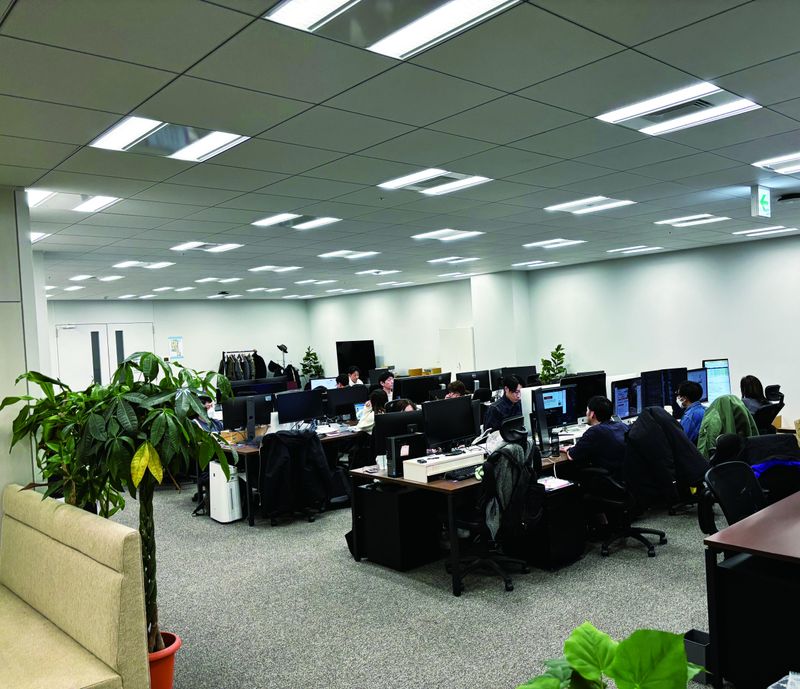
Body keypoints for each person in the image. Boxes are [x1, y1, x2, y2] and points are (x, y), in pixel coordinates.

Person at [565, 395, 627, 481]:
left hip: (610, 479)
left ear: (592, 414)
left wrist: (568, 449)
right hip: (626, 478)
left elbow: (572, 456)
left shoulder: (594, 431)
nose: (586, 413)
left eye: (587, 410)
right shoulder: (623, 426)